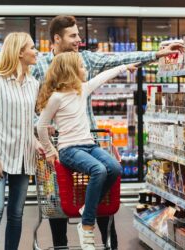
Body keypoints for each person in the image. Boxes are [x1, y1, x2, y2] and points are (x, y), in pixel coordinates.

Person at [31, 15, 184, 249]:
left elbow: (118, 60)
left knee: (104, 185)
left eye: (78, 35)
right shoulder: (40, 65)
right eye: (73, 36)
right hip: (58, 145)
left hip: (89, 138)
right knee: (59, 203)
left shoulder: (87, 60)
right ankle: (62, 244)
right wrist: (43, 129)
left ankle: (105, 241)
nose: (78, 40)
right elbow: (31, 106)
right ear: (56, 38)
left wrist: (157, 54)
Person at [36, 51, 138, 250]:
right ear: (70, 71)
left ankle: (87, 208)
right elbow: (41, 126)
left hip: (89, 145)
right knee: (98, 170)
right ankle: (86, 225)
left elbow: (102, 77)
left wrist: (125, 67)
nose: (85, 70)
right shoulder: (56, 98)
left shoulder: (82, 89)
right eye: (82, 66)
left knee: (114, 168)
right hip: (68, 149)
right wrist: (49, 150)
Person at [0, 32, 44, 250]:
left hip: (23, 157)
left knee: (16, 213)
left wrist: (37, 143)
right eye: (32, 47)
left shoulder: (33, 84)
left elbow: (28, 124)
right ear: (19, 52)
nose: (36, 52)